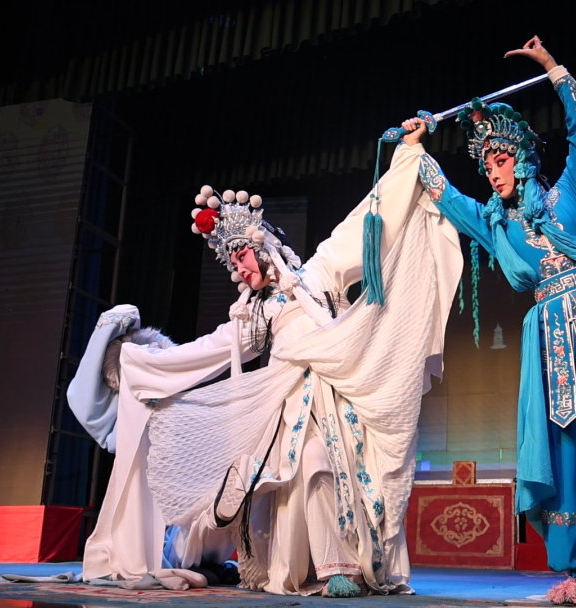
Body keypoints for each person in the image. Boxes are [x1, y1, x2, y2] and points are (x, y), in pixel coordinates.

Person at [66, 129, 462, 596]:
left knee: (347, 475)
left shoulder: (317, 273)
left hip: (338, 395)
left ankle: (352, 565)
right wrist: (142, 359)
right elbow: (204, 352)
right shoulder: (255, 316)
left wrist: (406, 156)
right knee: (310, 463)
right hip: (290, 406)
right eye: (232, 264)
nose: (238, 269)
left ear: (263, 245)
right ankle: (332, 569)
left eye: (241, 256)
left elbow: (366, 222)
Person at [405, 36, 576, 605]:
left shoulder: (571, 192)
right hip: (548, 339)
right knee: (561, 450)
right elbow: (446, 196)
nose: (493, 174)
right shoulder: (496, 223)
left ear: (520, 158)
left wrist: (550, 66)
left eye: (499, 162)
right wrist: (418, 148)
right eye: (486, 166)